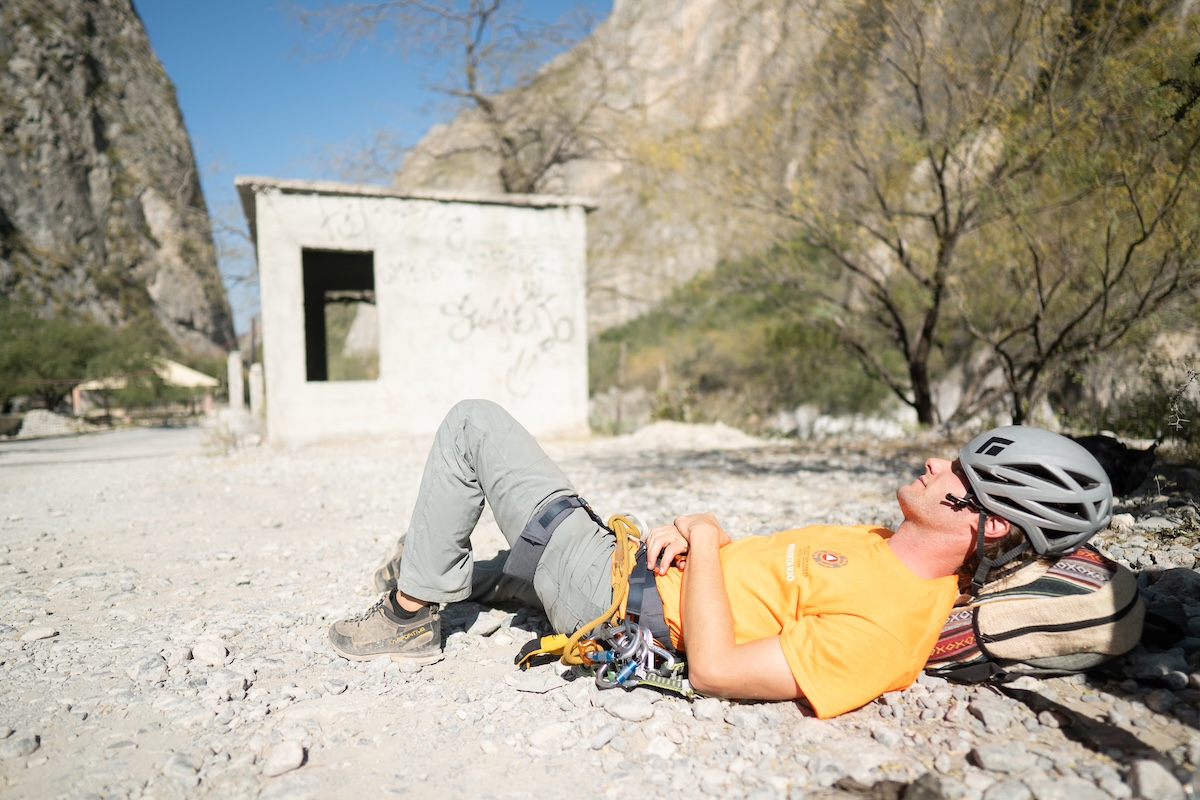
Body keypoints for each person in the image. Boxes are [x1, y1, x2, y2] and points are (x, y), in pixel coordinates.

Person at [328, 400, 1112, 718]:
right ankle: (462, 574)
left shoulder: (891, 625)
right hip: (629, 564)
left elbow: (717, 669)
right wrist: (714, 543)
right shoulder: (876, 546)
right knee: (472, 559)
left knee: (474, 424)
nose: (938, 467)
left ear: (994, 526)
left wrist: (704, 538)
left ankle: (409, 615)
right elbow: (765, 586)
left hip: (616, 597)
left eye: (962, 477)